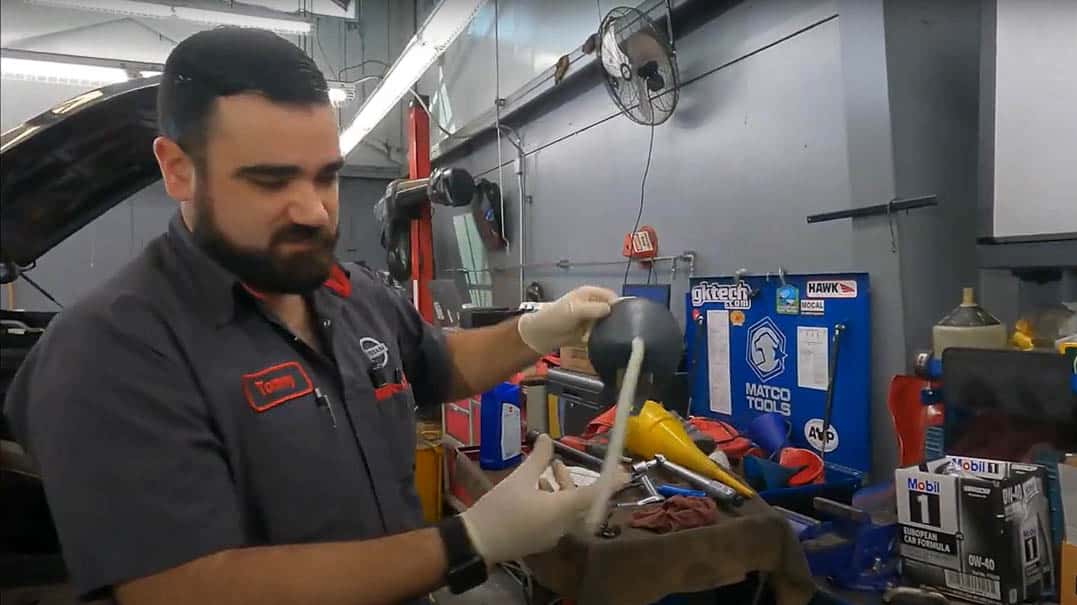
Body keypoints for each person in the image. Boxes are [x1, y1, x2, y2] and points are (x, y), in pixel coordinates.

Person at [3, 28, 619, 604]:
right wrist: (469, 542)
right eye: (271, 181)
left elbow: (441, 364)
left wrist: (536, 330)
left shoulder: (346, 292)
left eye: (326, 177)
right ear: (177, 169)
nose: (315, 212)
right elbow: (183, 585)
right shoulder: (108, 352)